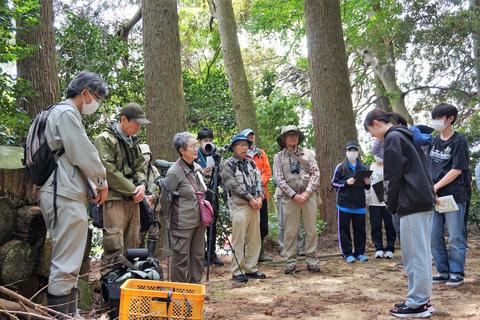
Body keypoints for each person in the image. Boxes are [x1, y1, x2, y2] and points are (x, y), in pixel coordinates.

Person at [39, 71, 109, 315]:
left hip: (61, 191)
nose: (96, 104)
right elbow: (83, 153)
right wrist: (101, 180)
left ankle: (71, 313)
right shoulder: (67, 113)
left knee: (68, 258)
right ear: (85, 93)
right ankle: (64, 315)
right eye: (97, 97)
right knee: (66, 262)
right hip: (63, 194)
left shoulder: (56, 112)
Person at [364, 109, 435, 318]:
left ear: (376, 123)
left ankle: (417, 303)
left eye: (371, 131)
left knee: (414, 255)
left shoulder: (393, 138)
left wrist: (391, 203)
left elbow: (392, 177)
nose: (373, 136)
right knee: (419, 253)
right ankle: (422, 299)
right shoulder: (406, 135)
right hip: (420, 200)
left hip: (411, 202)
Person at [94, 103, 149, 269]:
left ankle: (130, 283)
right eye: (136, 123)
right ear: (124, 120)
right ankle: (110, 288)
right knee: (114, 245)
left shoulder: (133, 141)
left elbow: (141, 166)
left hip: (134, 200)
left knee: (133, 245)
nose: (139, 127)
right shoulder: (104, 139)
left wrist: (142, 186)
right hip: (114, 200)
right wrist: (133, 189)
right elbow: (107, 172)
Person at [428, 103, 470, 287]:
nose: (436, 122)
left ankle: (456, 273)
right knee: (433, 235)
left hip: (453, 196)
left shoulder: (459, 141)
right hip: (433, 196)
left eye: (439, 118)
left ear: (450, 118)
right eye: (434, 118)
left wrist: (436, 186)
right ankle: (443, 271)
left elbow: (457, 169)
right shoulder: (433, 141)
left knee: (455, 236)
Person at [273, 125, 320, 274]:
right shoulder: (278, 157)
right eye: (289, 135)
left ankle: (312, 260)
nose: (293, 137)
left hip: (309, 196)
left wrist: (306, 193)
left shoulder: (308, 154)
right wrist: (294, 195)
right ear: (284, 139)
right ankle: (290, 261)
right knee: (290, 231)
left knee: (311, 229)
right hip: (289, 198)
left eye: (295, 134)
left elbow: (315, 173)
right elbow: (279, 179)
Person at [161, 132, 208, 283]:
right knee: (180, 259)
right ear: (182, 150)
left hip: (199, 220)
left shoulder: (196, 167)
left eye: (196, 145)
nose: (196, 149)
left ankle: (194, 289)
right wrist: (171, 218)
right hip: (182, 223)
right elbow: (164, 199)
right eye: (192, 146)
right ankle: (179, 293)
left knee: (198, 256)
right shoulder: (174, 172)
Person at [221, 134, 266, 282]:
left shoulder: (251, 163)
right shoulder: (228, 164)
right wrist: (250, 198)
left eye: (246, 145)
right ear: (234, 147)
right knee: (238, 239)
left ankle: (251, 268)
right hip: (239, 206)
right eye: (241, 145)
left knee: (254, 239)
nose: (244, 147)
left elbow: (259, 180)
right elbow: (232, 184)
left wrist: (259, 197)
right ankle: (237, 270)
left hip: (255, 206)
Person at [331, 140, 371, 263]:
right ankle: (347, 253)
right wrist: (346, 183)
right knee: (344, 230)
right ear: (346, 152)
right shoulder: (341, 167)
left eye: (354, 150)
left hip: (359, 204)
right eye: (350, 150)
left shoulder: (363, 167)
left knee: (360, 230)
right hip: (344, 204)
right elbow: (334, 183)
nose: (352, 152)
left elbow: (367, 187)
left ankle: (360, 253)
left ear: (358, 152)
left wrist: (367, 183)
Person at [240, 128, 273, 262]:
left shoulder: (261, 153)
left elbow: (267, 171)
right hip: (247, 197)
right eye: (248, 137)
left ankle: (261, 253)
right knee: (249, 226)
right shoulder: (240, 155)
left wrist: (259, 183)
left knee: (263, 225)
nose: (250, 139)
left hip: (262, 194)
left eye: (252, 136)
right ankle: (248, 255)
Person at [195, 127, 223, 266]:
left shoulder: (215, 156)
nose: (208, 143)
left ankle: (212, 254)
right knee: (201, 223)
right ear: (199, 141)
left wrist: (215, 171)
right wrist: (201, 171)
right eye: (205, 140)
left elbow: (222, 178)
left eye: (210, 140)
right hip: (199, 195)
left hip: (213, 193)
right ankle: (202, 253)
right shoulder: (194, 155)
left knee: (213, 223)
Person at [368, 139, 396, 259]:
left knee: (390, 225)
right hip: (373, 202)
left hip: (388, 202)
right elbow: (367, 184)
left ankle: (390, 248)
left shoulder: (391, 166)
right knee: (375, 226)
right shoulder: (370, 167)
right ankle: (378, 248)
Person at [139, 143, 167, 258]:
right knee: (139, 234)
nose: (146, 156)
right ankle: (139, 259)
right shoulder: (136, 169)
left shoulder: (154, 170)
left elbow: (159, 186)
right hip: (139, 205)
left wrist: (152, 198)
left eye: (148, 154)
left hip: (153, 206)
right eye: (143, 154)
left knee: (154, 231)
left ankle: (150, 258)